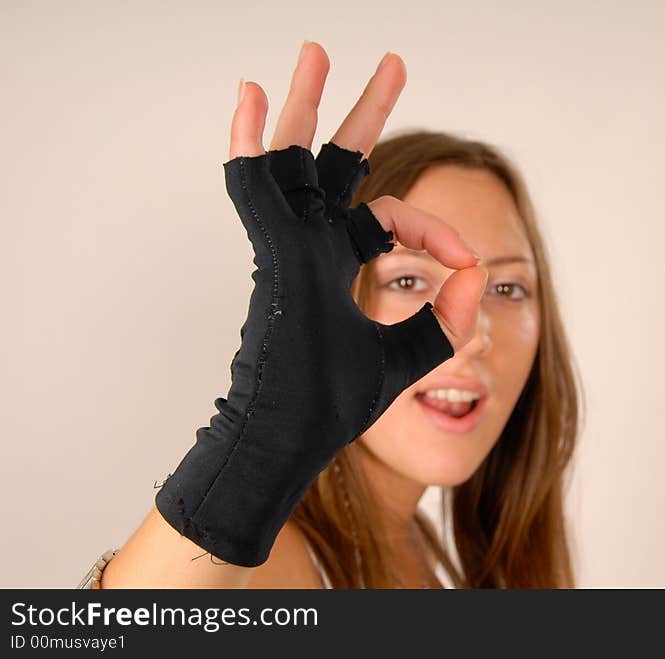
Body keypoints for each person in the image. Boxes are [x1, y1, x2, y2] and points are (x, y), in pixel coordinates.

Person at [83, 41, 581, 589]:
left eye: (508, 287)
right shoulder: (274, 571)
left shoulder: (432, 560)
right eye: (408, 280)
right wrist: (257, 448)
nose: (477, 335)